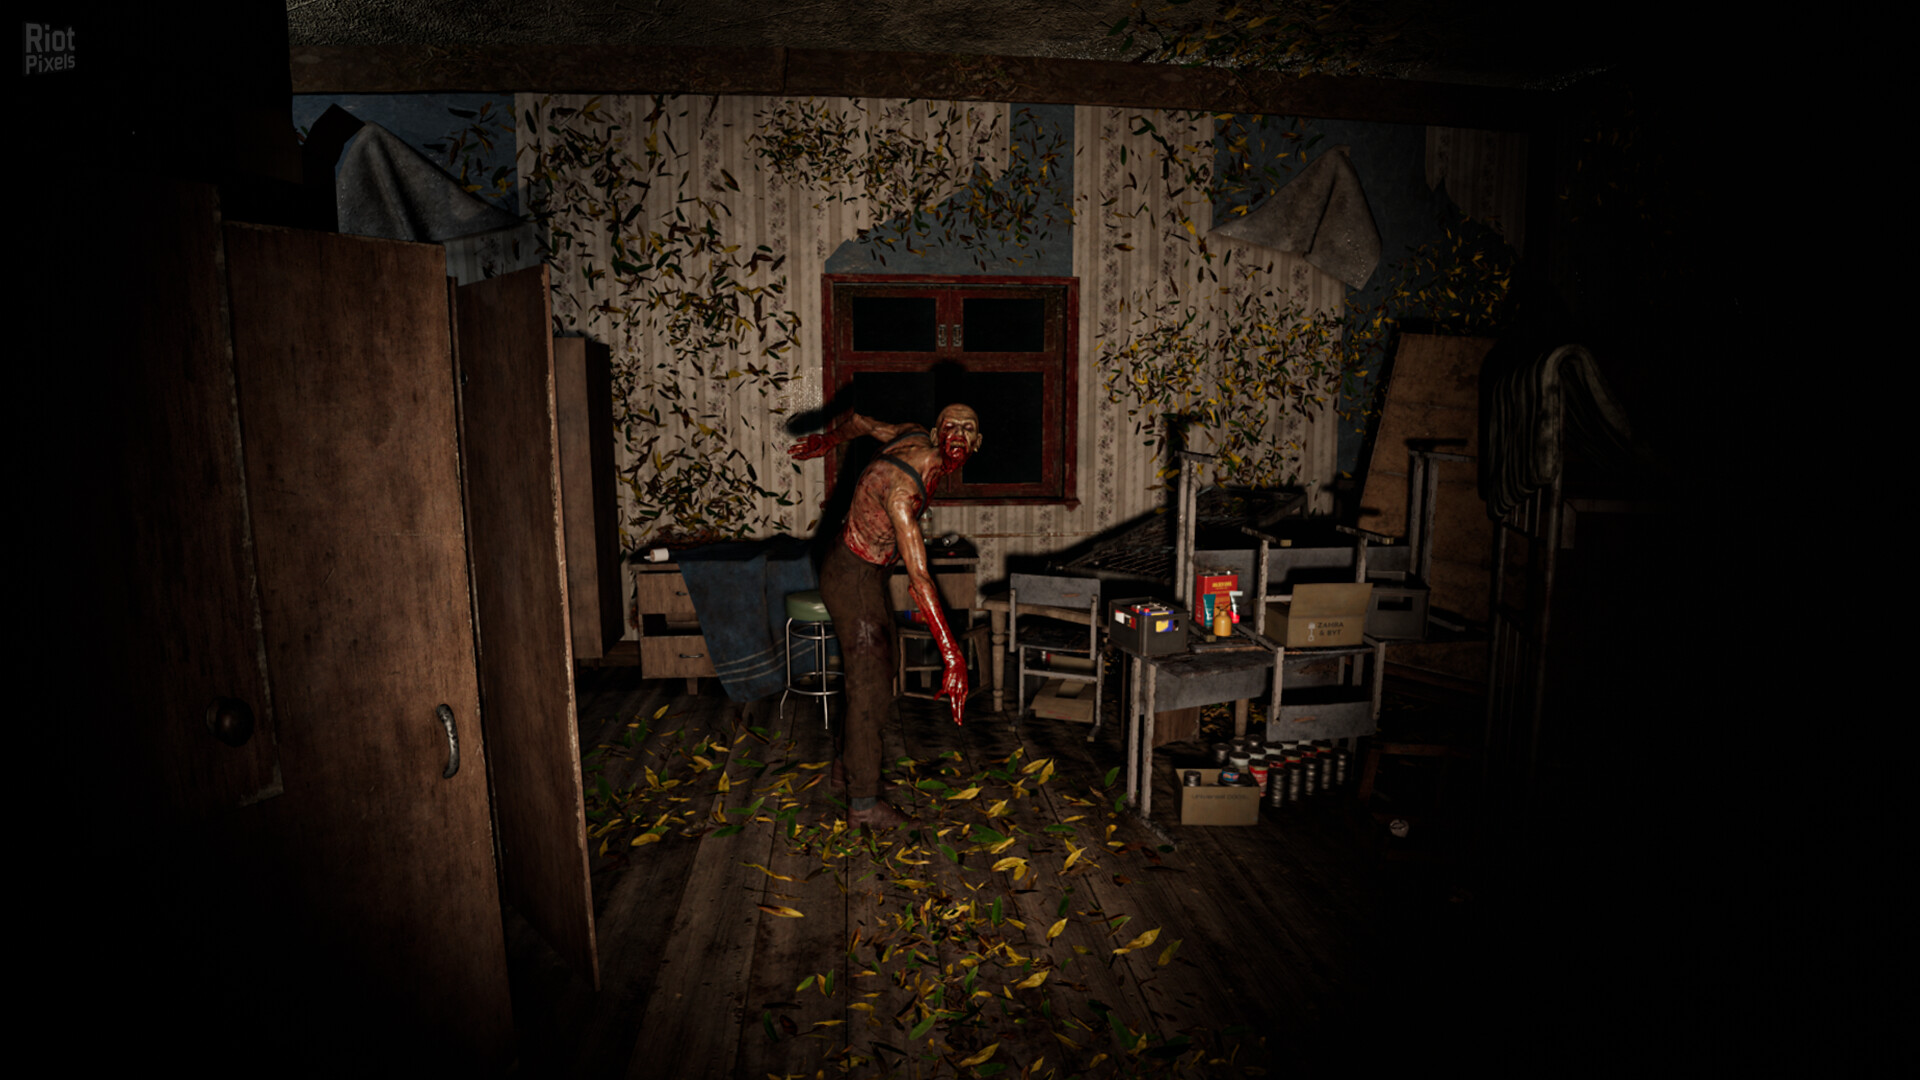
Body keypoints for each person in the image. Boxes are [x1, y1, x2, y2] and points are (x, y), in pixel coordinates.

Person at [789, 404, 982, 827]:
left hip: (859, 568)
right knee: (871, 688)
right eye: (951, 426)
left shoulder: (910, 432)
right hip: (853, 576)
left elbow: (861, 421)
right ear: (936, 432)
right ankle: (863, 803)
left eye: (967, 429)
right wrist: (953, 657)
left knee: (881, 670)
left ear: (977, 442)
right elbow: (921, 581)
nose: (958, 434)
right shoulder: (903, 493)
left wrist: (827, 441)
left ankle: (847, 768)